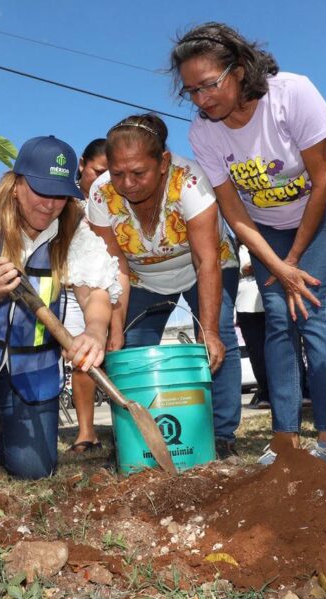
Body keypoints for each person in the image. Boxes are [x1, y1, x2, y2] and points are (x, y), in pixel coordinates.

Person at [172, 22, 326, 463]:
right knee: (277, 316)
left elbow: (324, 177)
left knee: (310, 304)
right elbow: (234, 212)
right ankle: (284, 439)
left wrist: (292, 262)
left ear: (239, 69)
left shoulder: (291, 94)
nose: (202, 99)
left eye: (209, 85)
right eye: (191, 91)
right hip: (266, 224)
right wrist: (276, 263)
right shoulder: (204, 133)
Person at [0, 135, 120, 484]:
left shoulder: (73, 224)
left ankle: (9, 441)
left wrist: (94, 331)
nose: (50, 205)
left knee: (35, 470)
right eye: (41, 191)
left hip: (32, 364)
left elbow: (96, 292)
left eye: (60, 195)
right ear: (16, 185)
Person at [86, 113, 242, 459]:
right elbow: (116, 268)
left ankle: (222, 434)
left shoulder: (188, 181)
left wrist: (211, 329)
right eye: (117, 173)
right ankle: (140, 435)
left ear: (163, 163)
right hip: (142, 277)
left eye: (138, 173)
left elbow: (206, 261)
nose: (127, 183)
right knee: (130, 351)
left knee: (215, 344)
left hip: (205, 265)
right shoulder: (100, 196)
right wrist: (115, 331)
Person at [64, 137, 108, 453]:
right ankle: (85, 431)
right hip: (66, 287)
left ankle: (98, 430)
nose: (103, 180)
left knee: (97, 356)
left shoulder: (112, 200)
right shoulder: (63, 200)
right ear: (82, 164)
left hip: (103, 285)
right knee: (78, 359)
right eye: (98, 171)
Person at [236, 245, 269, 409]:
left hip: (271, 300)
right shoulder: (234, 246)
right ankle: (266, 393)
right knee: (256, 352)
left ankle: (301, 389)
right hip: (244, 305)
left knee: (283, 348)